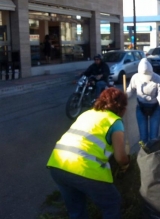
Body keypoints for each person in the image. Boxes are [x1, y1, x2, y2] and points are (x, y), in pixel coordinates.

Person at [47, 87, 129, 219]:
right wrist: (125, 165)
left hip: (57, 165)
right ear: (122, 108)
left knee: (76, 210)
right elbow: (120, 157)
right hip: (83, 167)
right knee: (112, 203)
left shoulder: (87, 113)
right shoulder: (114, 121)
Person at [126, 58, 160, 143]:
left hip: (154, 109)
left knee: (154, 138)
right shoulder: (135, 78)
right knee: (143, 137)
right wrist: (124, 97)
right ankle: (144, 155)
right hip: (141, 108)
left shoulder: (158, 79)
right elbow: (130, 90)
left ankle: (152, 155)